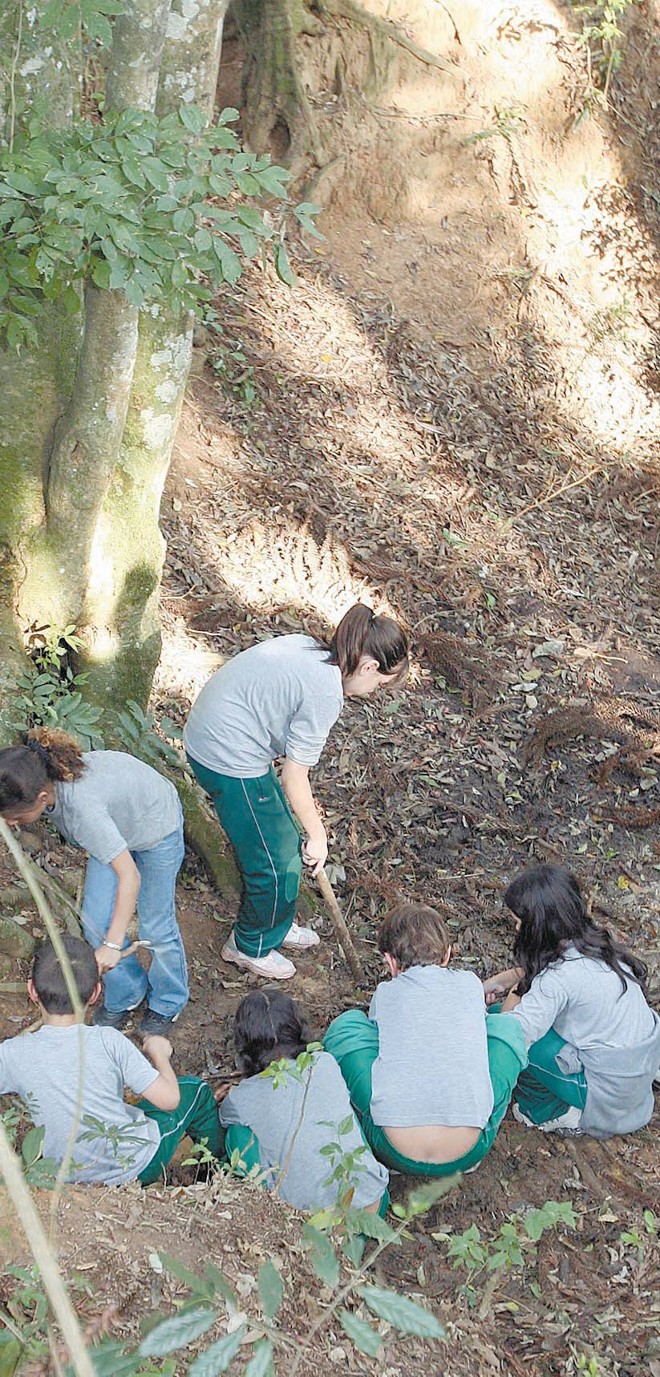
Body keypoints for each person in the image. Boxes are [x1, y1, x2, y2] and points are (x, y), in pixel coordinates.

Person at [184, 603, 408, 980]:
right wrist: (318, 835)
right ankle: (249, 944)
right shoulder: (325, 693)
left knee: (286, 838)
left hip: (223, 736)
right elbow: (293, 777)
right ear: (370, 666)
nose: (373, 692)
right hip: (226, 755)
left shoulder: (311, 648)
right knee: (275, 860)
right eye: (380, 684)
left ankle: (276, 923)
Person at [0, 729, 188, 1036]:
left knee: (156, 928)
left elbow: (130, 876)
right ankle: (127, 992)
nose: (10, 824)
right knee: (96, 922)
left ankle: (168, 1002)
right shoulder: (47, 776)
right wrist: (108, 939)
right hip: (116, 828)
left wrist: (112, 946)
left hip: (156, 829)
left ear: (42, 798)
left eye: (15, 818)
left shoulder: (83, 811)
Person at [324, 902, 527, 1176]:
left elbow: (381, 1037)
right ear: (447, 955)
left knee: (346, 1026)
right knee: (507, 1028)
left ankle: (372, 1150)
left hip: (394, 1150)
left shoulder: (386, 993)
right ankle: (481, 1131)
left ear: (390, 962)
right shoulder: (470, 984)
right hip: (469, 1150)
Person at [0, 936, 222, 1185]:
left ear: (32, 990)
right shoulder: (109, 1041)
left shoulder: (13, 1053)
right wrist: (160, 1054)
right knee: (196, 1091)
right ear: (95, 993)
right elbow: (170, 1100)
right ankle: (219, 1170)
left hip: (63, 1174)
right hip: (134, 1166)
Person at [484, 864, 660, 1138]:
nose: (516, 928)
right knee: (501, 1014)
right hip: (634, 1079)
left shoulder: (557, 979)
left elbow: (512, 1038)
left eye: (519, 922)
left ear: (538, 926)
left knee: (502, 1033)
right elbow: (544, 972)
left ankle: (549, 1112)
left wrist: (513, 995)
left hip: (606, 1096)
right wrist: (499, 982)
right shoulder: (596, 946)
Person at [217, 989, 389, 1214]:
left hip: (309, 1221)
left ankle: (267, 1208)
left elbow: (223, 1117)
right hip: (374, 1201)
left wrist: (230, 1096)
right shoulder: (324, 1062)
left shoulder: (242, 1097)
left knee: (237, 1132)